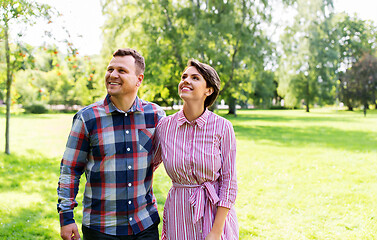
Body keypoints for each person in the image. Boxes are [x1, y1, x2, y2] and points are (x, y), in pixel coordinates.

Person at [57, 48, 165, 240]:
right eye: (110, 69)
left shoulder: (156, 116)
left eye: (121, 71)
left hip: (145, 225)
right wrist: (66, 218)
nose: (112, 75)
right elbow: (70, 170)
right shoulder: (87, 118)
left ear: (139, 79)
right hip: (101, 229)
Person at [155, 59, 239, 240]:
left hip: (214, 214)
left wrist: (215, 233)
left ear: (208, 90)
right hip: (179, 213)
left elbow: (229, 182)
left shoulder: (222, 127)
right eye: (184, 76)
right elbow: (149, 166)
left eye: (195, 77)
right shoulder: (165, 126)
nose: (186, 80)